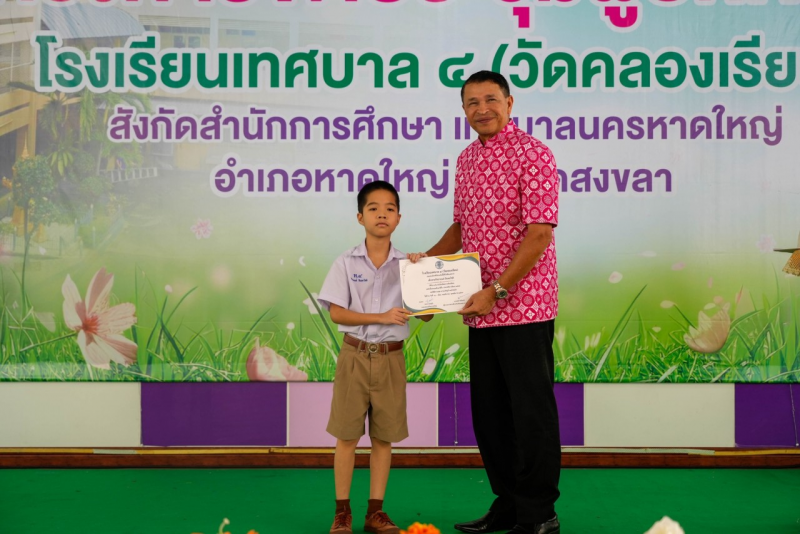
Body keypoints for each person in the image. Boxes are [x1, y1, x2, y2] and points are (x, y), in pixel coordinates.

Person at [410, 71, 561, 534]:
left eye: (491, 99)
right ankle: (509, 504)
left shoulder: (534, 153)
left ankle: (539, 513)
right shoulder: (466, 159)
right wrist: (423, 272)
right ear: (463, 110)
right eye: (472, 102)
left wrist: (496, 290)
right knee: (491, 415)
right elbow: (461, 228)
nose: (482, 109)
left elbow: (539, 234)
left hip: (524, 306)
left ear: (510, 103)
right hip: (479, 310)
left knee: (530, 412)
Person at [318, 181, 432, 534]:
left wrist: (424, 272)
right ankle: (342, 512)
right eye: (373, 208)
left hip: (391, 359)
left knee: (383, 438)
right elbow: (336, 313)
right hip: (354, 356)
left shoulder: (409, 264)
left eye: (389, 208)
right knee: (347, 437)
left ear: (398, 218)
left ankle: (375, 513)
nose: (382, 214)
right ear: (360, 217)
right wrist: (381, 317)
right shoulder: (345, 261)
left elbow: (428, 315)